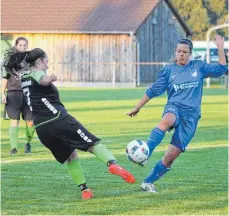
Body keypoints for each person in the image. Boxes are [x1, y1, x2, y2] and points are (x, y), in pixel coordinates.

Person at [3, 48, 136, 200]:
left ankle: (85, 190)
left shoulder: (24, 77)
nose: (47, 66)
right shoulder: (37, 73)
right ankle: (112, 164)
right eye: (46, 62)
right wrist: (50, 78)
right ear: (38, 61)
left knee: (71, 156)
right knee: (94, 144)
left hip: (41, 129)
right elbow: (42, 79)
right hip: (58, 119)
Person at [127, 34, 227, 193]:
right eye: (179, 51)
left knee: (169, 158)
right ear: (175, 52)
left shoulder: (199, 67)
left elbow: (222, 69)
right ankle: (145, 153)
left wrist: (220, 47)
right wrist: (137, 107)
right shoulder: (168, 70)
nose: (181, 54)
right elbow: (153, 90)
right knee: (167, 119)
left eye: (184, 52)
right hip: (174, 107)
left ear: (190, 53)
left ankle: (148, 182)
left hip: (191, 117)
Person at [1, 37, 35, 154]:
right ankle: (13, 148)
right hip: (13, 94)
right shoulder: (9, 60)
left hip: (28, 94)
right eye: (20, 45)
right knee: (14, 121)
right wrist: (2, 94)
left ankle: (28, 143)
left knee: (30, 121)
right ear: (16, 46)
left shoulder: (30, 60)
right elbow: (5, 78)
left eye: (25, 45)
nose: (23, 47)